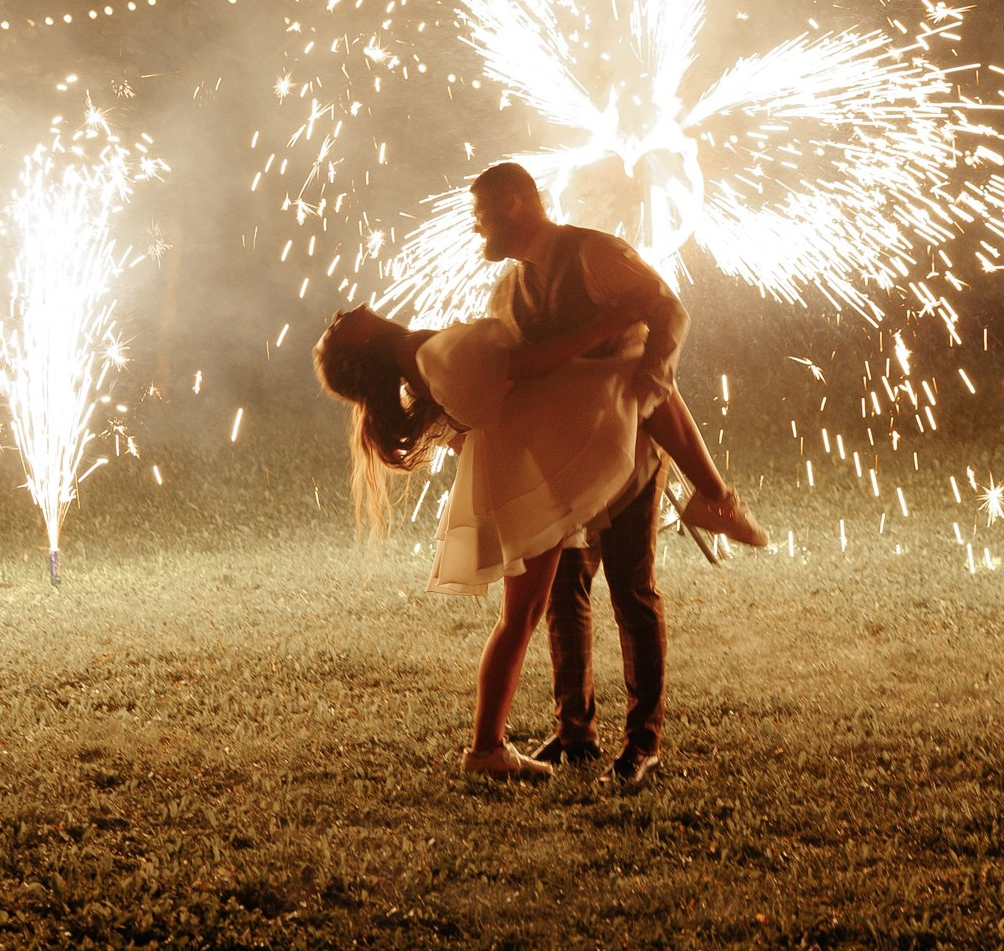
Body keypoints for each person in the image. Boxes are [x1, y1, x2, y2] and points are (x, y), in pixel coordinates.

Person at [313, 197, 764, 784]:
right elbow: (521, 366)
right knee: (535, 609)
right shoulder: (429, 352)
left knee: (566, 602)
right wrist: (605, 327)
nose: (338, 313)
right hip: (558, 460)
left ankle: (602, 741)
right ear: (359, 349)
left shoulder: (424, 356)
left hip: (550, 460)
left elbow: (474, 413)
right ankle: (716, 499)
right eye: (335, 329)